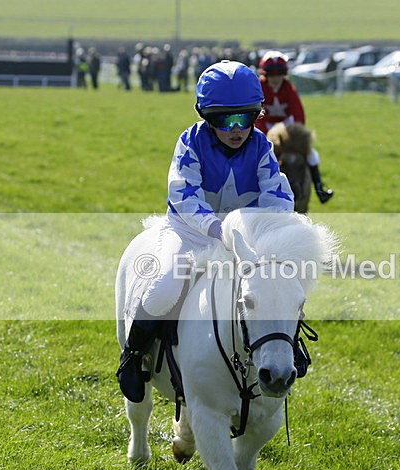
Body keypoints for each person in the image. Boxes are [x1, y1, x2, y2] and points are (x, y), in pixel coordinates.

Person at [116, 60, 295, 403]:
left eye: (244, 117)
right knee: (164, 287)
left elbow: (279, 198)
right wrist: (218, 228)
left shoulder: (261, 147)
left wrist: (250, 231)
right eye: (221, 119)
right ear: (204, 116)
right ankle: (134, 359)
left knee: (282, 287)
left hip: (243, 239)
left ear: (257, 113)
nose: (235, 128)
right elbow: (183, 194)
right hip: (189, 233)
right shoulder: (190, 142)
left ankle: (290, 351)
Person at [254, 50, 333, 204]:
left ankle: (319, 188)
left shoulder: (289, 88)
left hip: (286, 129)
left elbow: (298, 114)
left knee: (312, 154)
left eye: (279, 74)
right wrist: (264, 134)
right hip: (265, 128)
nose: (275, 79)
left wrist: (294, 136)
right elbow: (256, 114)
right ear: (265, 74)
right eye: (272, 74)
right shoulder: (259, 87)